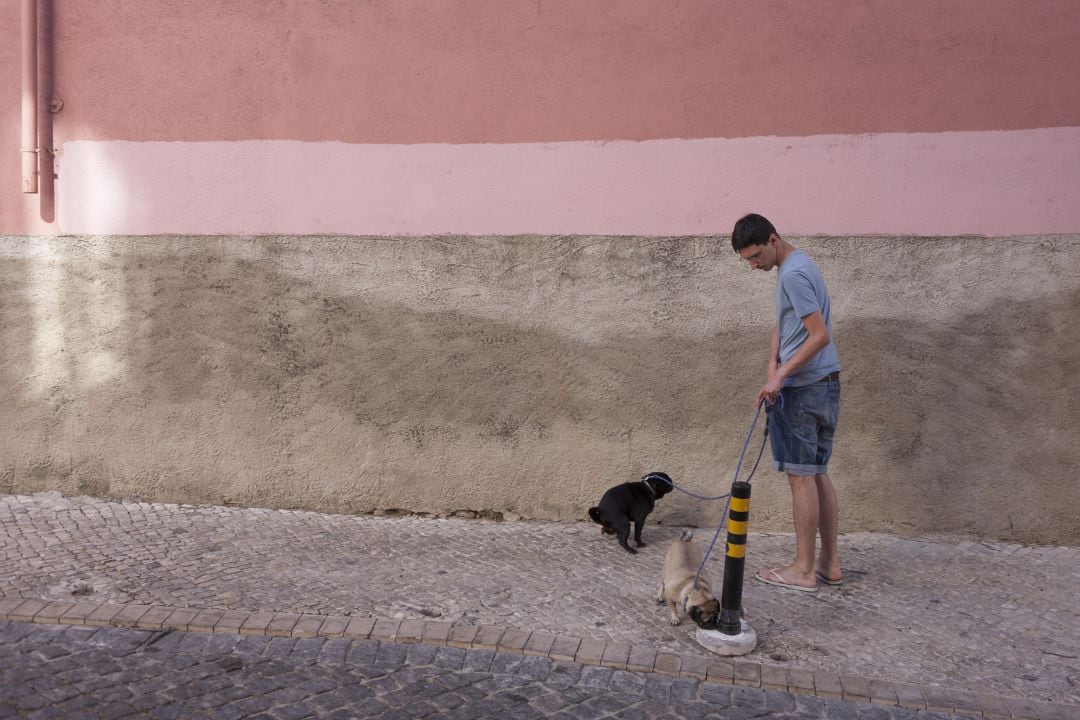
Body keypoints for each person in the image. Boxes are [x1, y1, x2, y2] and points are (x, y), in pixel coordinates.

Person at [731, 213, 842, 592]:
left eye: (755, 256)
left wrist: (780, 377)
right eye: (746, 259)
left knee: (801, 478)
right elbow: (786, 322)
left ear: (774, 240)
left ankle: (804, 570)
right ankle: (829, 564)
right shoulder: (798, 265)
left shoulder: (792, 273)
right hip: (824, 384)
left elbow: (819, 335)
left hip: (804, 389)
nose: (752, 265)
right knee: (816, 472)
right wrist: (771, 361)